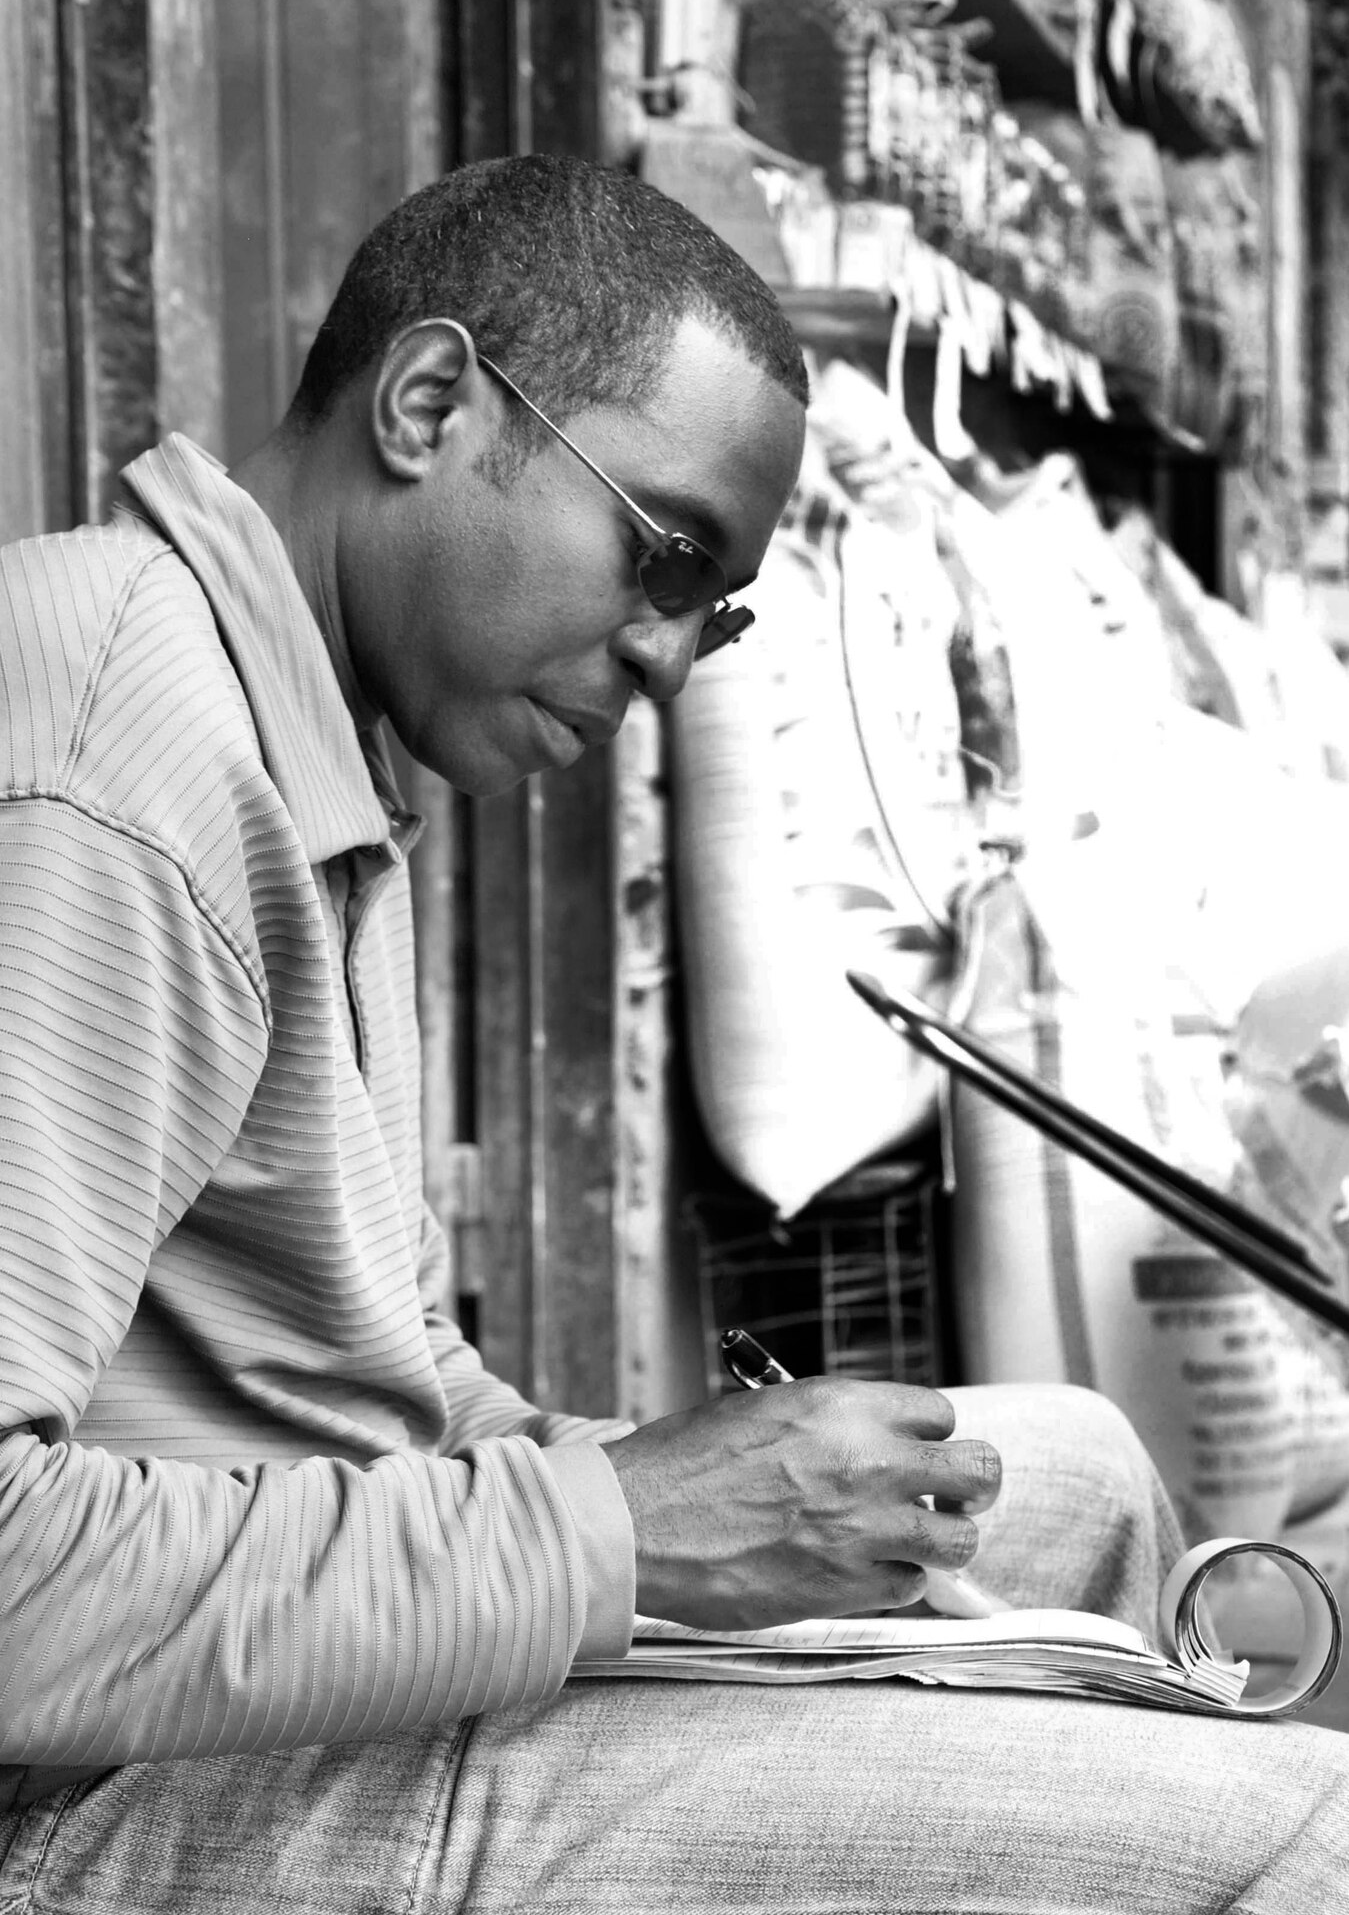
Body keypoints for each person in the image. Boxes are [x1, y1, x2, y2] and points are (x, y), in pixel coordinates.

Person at [0, 152, 1344, 1913]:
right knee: (1307, 1839)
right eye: (659, 554)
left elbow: (367, 1373)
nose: (666, 664)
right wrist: (630, 1525)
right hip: (95, 1804)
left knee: (1055, 1478)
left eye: (712, 616)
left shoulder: (315, 741)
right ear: (427, 402)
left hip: (268, 1680)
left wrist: (678, 1498)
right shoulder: (120, 770)